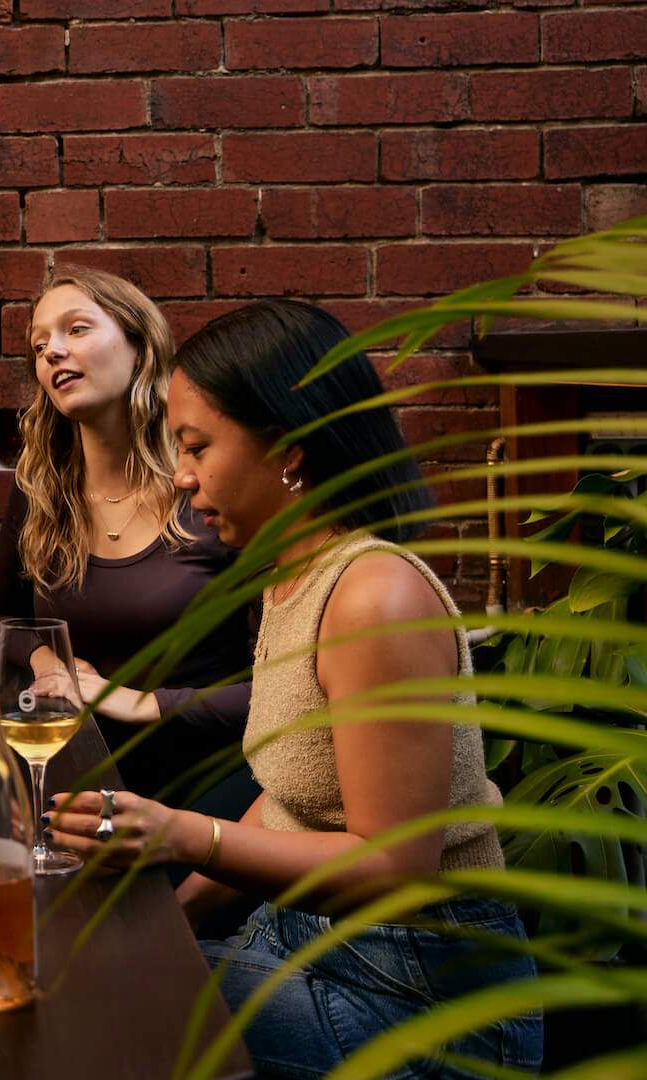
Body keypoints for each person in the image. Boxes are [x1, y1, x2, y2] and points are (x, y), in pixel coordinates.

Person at [45, 299, 540, 1076]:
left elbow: (394, 869)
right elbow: (290, 800)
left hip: (418, 999)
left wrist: (180, 833)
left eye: (196, 446)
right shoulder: (290, 580)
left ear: (291, 449)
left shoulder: (376, 595)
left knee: (91, 1018)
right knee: (82, 974)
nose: (180, 477)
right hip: (306, 944)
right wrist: (168, 922)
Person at [0, 268, 257, 818]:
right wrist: (49, 663)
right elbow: (0, 617)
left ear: (140, 345)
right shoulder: (40, 487)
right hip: (79, 770)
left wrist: (134, 700)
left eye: (76, 329)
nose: (52, 352)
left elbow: (293, 684)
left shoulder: (208, 485)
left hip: (214, 785)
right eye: (39, 346)